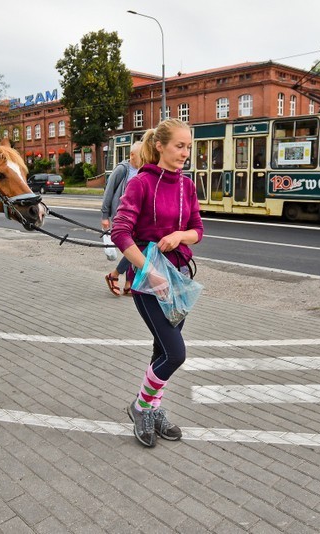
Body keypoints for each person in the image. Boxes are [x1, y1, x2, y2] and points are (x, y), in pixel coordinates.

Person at [111, 118, 204, 448]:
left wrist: (180, 235)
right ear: (161, 146)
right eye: (179, 146)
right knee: (175, 354)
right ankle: (140, 407)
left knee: (161, 350)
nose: (185, 153)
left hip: (178, 280)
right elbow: (119, 233)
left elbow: (198, 230)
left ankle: (151, 409)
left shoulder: (187, 186)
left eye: (188, 147)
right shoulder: (140, 184)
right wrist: (149, 271)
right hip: (148, 284)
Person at [101, 141, 142, 296]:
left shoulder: (142, 169)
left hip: (136, 215)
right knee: (134, 248)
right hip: (121, 214)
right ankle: (115, 275)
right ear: (132, 155)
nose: (144, 158)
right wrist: (105, 216)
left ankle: (127, 282)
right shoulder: (122, 169)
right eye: (141, 155)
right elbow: (108, 192)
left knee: (135, 248)